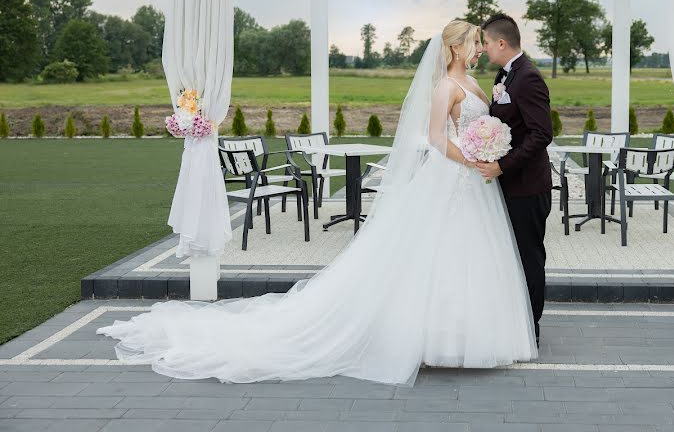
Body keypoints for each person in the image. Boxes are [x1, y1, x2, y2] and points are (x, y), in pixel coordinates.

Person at [97, 20, 537, 385]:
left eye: (481, 42)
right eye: (474, 42)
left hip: (474, 182)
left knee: (465, 257)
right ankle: (428, 338)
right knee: (432, 254)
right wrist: (471, 158)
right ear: (457, 47)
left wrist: (488, 151)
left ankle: (462, 334)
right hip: (454, 176)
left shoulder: (476, 82)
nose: (480, 47)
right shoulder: (444, 86)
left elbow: (485, 125)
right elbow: (438, 137)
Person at [475, 13, 553, 347]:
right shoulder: (505, 75)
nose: (485, 49)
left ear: (502, 43)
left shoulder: (529, 77)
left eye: (487, 43)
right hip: (509, 186)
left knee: (529, 256)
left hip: (527, 186)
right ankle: (514, 322)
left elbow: (541, 134)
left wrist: (503, 165)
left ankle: (531, 328)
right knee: (510, 257)